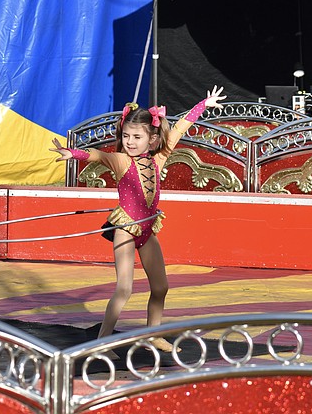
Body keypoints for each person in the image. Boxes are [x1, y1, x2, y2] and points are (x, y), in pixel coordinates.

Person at [50, 86, 226, 351]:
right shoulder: (121, 161)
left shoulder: (159, 159)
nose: (130, 142)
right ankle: (101, 342)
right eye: (126, 136)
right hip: (125, 228)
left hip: (147, 230)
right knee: (125, 289)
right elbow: (100, 155)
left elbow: (179, 128)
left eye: (137, 137)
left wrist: (203, 104)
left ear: (152, 139)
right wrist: (74, 153)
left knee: (161, 287)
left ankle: (152, 334)